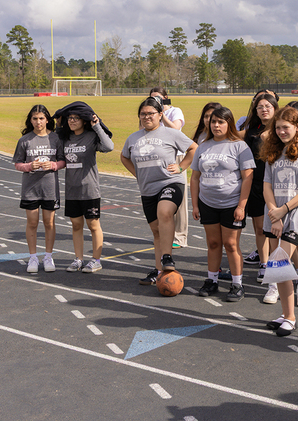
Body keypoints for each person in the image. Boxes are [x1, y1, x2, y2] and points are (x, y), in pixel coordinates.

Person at [259, 106, 298, 336]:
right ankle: (286, 315)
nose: (281, 132)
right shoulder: (273, 151)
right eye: (277, 128)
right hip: (275, 214)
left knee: (281, 265)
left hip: (295, 215)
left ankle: (291, 317)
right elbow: (267, 185)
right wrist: (274, 212)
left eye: (286, 127)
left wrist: (284, 209)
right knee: (278, 268)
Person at [122, 97, 197, 285]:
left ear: (160, 115)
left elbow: (194, 148)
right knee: (156, 231)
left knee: (165, 212)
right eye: (143, 114)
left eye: (151, 114)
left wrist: (181, 167)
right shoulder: (133, 138)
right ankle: (158, 270)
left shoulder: (171, 133)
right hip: (148, 188)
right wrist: (137, 174)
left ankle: (167, 257)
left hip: (171, 182)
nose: (147, 117)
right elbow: (124, 157)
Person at [191, 105, 254, 301]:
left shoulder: (239, 146)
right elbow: (194, 178)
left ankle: (237, 284)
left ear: (229, 123)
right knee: (213, 243)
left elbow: (248, 177)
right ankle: (212, 280)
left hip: (231, 203)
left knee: (231, 244)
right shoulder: (203, 146)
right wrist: (194, 204)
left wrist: (241, 206)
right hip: (207, 203)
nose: (216, 125)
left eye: (221, 122)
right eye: (213, 122)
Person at [54, 101, 114, 273]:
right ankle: (78, 259)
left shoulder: (91, 136)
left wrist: (97, 127)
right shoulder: (65, 138)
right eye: (70, 118)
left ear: (84, 120)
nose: (72, 121)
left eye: (76, 118)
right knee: (76, 225)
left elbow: (109, 146)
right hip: (72, 190)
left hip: (90, 189)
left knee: (93, 225)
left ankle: (96, 260)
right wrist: (58, 125)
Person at [13, 104, 65, 273]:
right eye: (34, 119)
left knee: (49, 223)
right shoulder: (25, 140)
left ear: (47, 120)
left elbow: (63, 161)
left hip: (50, 188)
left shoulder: (56, 139)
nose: (38, 122)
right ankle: (33, 257)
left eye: (41, 118)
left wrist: (53, 165)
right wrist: (29, 166)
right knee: (33, 223)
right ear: (30, 120)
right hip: (30, 189)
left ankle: (48, 256)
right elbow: (18, 164)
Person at [243, 93, 279, 281]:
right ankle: (264, 263)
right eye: (260, 107)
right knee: (259, 228)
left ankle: (277, 262)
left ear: (275, 108)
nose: (264, 110)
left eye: (267, 106)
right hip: (256, 184)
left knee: (276, 228)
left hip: (277, 185)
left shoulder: (282, 128)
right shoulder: (252, 130)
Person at [149, 87, 189, 248]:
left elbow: (175, 129)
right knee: (160, 197)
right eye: (152, 98)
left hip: (176, 157)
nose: (155, 101)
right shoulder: (151, 113)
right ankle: (164, 233)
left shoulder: (175, 111)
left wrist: (162, 114)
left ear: (166, 98)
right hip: (159, 157)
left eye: (158, 98)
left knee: (179, 197)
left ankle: (180, 237)